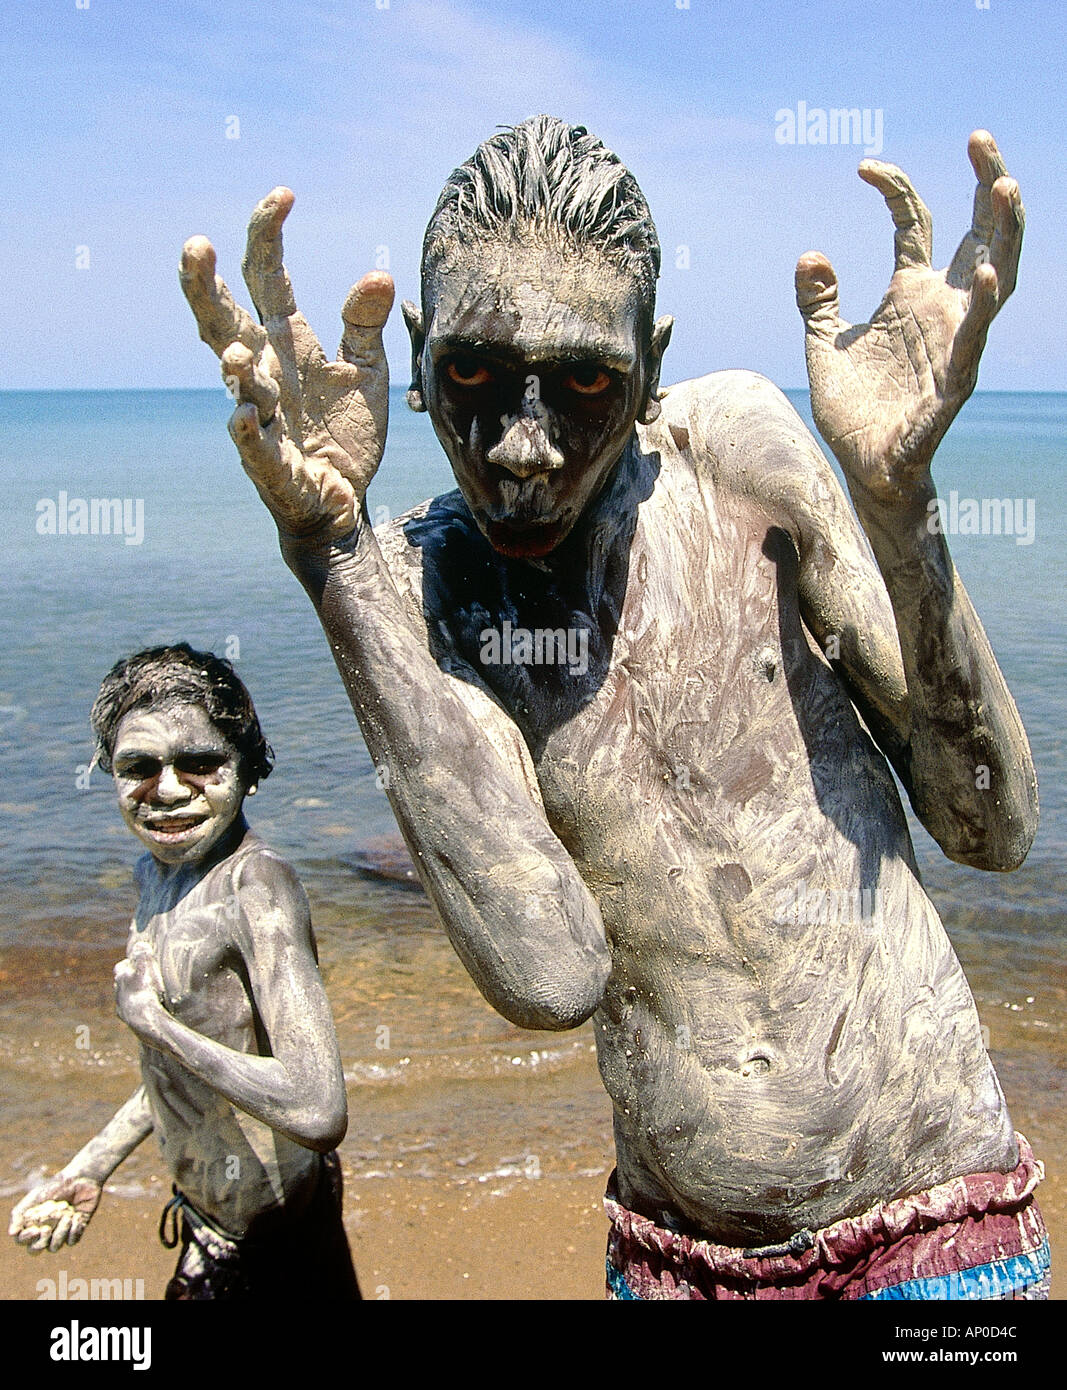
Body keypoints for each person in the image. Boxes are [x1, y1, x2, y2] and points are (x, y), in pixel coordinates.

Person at [177, 116, 1048, 1299]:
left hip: (935, 1239)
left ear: (650, 364)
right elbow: (545, 971)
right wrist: (329, 552)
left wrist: (899, 509)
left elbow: (990, 826)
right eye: (475, 376)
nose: (524, 445)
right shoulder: (424, 598)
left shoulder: (738, 452)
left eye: (584, 381)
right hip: (672, 1262)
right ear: (421, 361)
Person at [9, 645, 360, 1300]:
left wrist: (154, 1026)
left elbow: (316, 1107)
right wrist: (91, 1167)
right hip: (212, 1217)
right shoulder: (157, 875)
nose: (166, 791)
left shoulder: (258, 886)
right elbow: (199, 1062)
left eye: (200, 764)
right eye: (138, 767)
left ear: (250, 770)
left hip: (268, 1237)